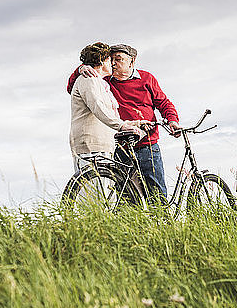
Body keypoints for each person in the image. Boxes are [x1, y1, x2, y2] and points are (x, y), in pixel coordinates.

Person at [67, 44, 180, 201]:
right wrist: (80, 68)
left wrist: (172, 120)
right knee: (126, 197)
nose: (113, 63)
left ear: (131, 62)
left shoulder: (147, 79)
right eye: (111, 59)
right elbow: (73, 85)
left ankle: (163, 224)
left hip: (147, 144)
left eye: (118, 59)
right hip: (121, 147)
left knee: (157, 193)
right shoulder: (105, 81)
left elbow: (164, 103)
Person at [69, 42, 144, 174]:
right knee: (93, 192)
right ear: (102, 61)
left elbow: (111, 114)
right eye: (110, 60)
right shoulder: (88, 79)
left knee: (107, 190)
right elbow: (98, 108)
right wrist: (121, 126)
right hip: (91, 145)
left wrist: (135, 123)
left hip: (103, 145)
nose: (113, 64)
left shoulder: (100, 83)